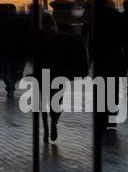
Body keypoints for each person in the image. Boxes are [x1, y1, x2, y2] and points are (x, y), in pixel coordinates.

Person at [34, 11, 88, 143]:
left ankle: (46, 128)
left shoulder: (37, 38)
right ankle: (54, 122)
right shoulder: (61, 37)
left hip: (42, 73)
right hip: (59, 73)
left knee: (44, 101)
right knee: (56, 101)